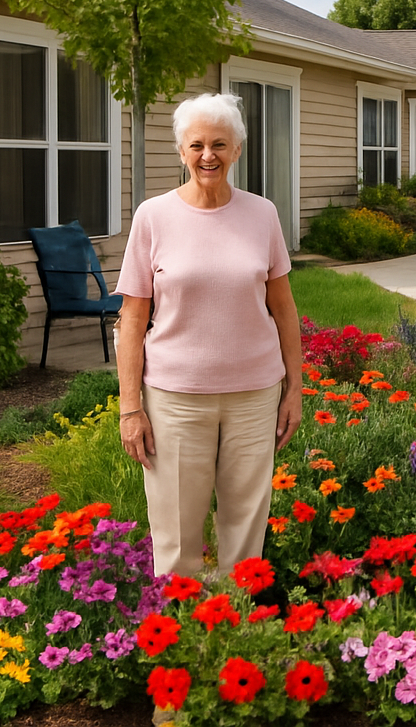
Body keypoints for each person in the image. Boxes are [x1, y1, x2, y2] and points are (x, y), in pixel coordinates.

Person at [115, 92, 302, 576]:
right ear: (181, 151)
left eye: (219, 143)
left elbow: (284, 310)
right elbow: (132, 320)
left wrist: (294, 391)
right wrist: (130, 407)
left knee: (245, 529)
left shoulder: (263, 214)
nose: (207, 155)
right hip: (175, 399)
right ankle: (181, 638)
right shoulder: (153, 217)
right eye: (196, 144)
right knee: (176, 535)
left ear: (237, 150)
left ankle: (237, 629)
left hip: (254, 395)